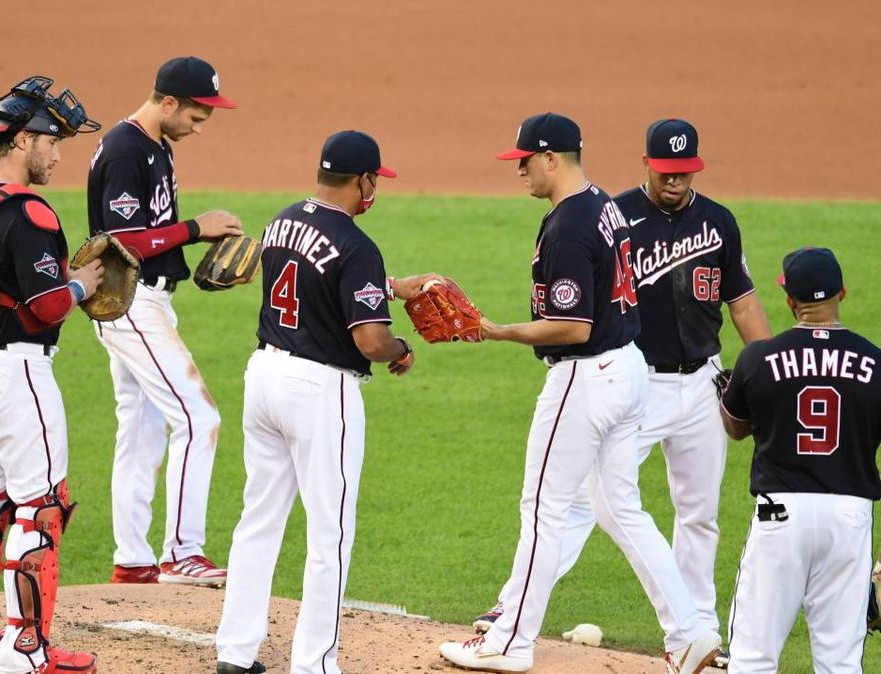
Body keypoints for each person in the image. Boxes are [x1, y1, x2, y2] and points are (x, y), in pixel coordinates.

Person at [473, 119, 772, 666]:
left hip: (689, 381)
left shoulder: (713, 222)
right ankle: (512, 609)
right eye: (666, 171)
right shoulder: (616, 211)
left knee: (689, 512)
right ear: (647, 164)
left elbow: (743, 305)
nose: (676, 180)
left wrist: (770, 378)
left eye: (685, 171)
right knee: (599, 505)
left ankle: (694, 629)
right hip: (641, 378)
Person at [215, 130, 434, 674]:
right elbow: (370, 341)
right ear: (362, 180)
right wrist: (401, 347)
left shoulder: (283, 219)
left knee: (258, 521)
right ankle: (315, 664)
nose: (374, 189)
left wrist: (393, 285)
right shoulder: (359, 244)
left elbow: (319, 274)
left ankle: (235, 652)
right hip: (319, 392)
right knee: (330, 532)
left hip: (263, 376)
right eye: (374, 180)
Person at [0, 76, 104, 673]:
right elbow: (49, 305)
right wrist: (86, 283)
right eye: (52, 142)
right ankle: (27, 648)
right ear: (23, 139)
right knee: (41, 507)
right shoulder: (30, 212)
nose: (57, 155)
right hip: (16, 374)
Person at [87, 56, 242, 586]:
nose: (199, 127)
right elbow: (123, 240)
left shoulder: (157, 147)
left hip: (148, 299)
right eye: (197, 116)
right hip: (129, 303)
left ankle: (132, 560)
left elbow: (152, 234)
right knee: (200, 418)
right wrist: (197, 228)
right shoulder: (127, 149)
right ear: (169, 102)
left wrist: (187, 263)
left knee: (142, 430)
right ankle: (182, 553)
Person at [720, 247, 881, 674]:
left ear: (789, 301)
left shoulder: (759, 358)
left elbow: (736, 427)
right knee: (840, 662)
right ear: (843, 293)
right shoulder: (877, 364)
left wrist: (726, 395)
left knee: (753, 657)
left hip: (780, 520)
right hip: (849, 520)